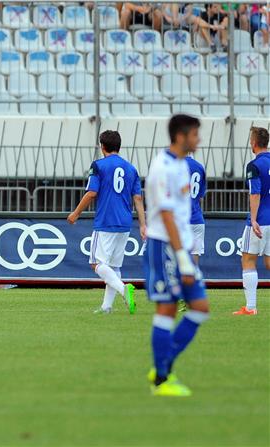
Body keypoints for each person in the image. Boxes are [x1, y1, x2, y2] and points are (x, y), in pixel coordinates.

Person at [144, 114, 209, 397]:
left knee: (200, 308)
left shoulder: (183, 165)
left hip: (180, 244)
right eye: (195, 134)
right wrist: (182, 256)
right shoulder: (162, 167)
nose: (199, 140)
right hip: (165, 246)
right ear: (181, 136)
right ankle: (161, 379)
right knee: (167, 310)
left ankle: (163, 364)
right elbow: (167, 214)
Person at [67, 130, 145, 314]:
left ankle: (123, 289)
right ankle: (106, 307)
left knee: (96, 263)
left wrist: (76, 213)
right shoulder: (131, 168)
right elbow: (138, 199)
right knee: (114, 266)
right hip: (125, 223)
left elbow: (92, 192)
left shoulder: (98, 165)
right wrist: (143, 225)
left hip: (106, 221)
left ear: (102, 146)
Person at [234, 127, 270, 316]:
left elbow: (255, 193)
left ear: (254, 143)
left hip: (261, 220)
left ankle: (250, 307)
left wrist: (254, 219)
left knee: (248, 260)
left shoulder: (254, 165)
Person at [187, 156, 207, 264]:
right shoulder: (199, 166)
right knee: (194, 255)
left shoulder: (175, 165)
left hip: (180, 220)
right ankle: (193, 279)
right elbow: (201, 196)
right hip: (197, 219)